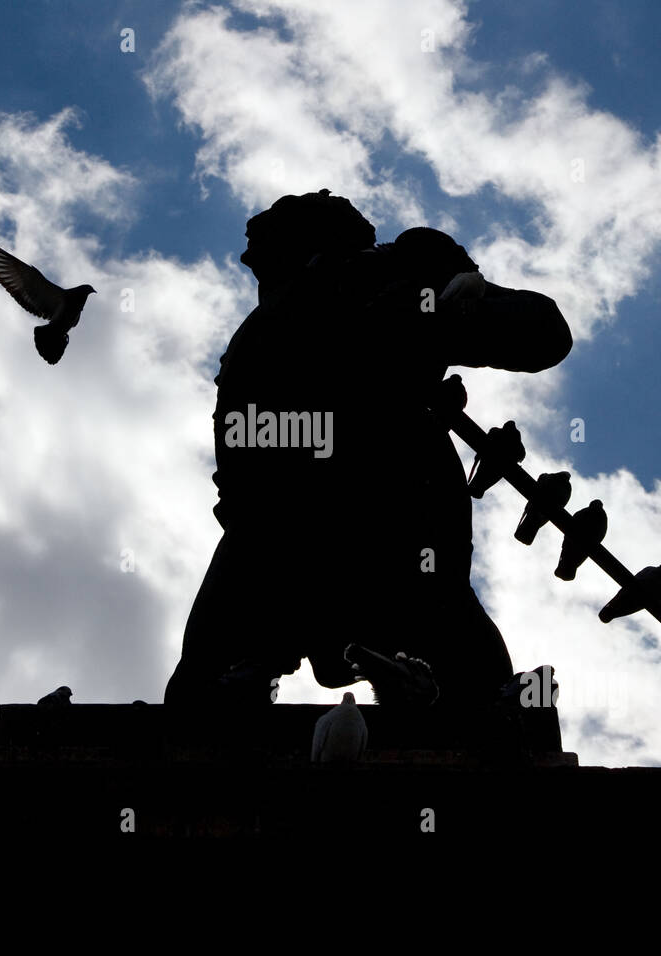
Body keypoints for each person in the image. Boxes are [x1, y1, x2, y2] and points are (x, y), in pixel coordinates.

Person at [164, 190, 571, 707]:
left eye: (262, 246)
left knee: (461, 671)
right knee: (200, 690)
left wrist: (459, 306)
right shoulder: (264, 331)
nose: (250, 261)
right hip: (275, 531)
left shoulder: (388, 280)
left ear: (313, 241)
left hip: (389, 516)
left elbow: (544, 331)